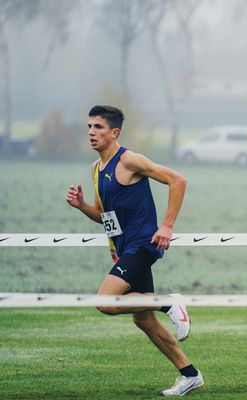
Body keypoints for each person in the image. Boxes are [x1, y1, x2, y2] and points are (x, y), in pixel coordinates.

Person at [66, 105, 202, 396]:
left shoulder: (129, 160)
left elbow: (178, 180)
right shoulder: (95, 169)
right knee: (143, 318)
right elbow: (104, 215)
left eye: (98, 127)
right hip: (123, 248)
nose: (91, 132)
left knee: (105, 301)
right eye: (89, 126)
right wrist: (81, 207)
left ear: (114, 132)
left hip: (143, 244)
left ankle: (168, 302)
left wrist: (166, 226)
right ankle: (190, 374)